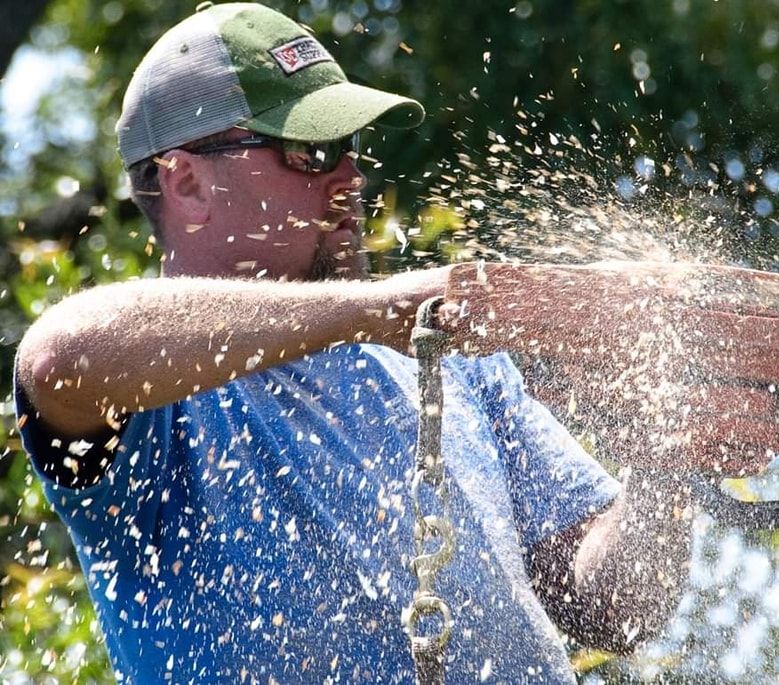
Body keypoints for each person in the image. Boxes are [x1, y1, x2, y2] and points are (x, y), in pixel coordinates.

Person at [14, 3, 692, 683]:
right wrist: (378, 308)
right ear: (186, 182)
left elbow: (614, 609)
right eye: (309, 150)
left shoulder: (452, 361)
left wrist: (667, 463)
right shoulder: (154, 395)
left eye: (347, 145)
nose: (349, 179)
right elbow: (57, 359)